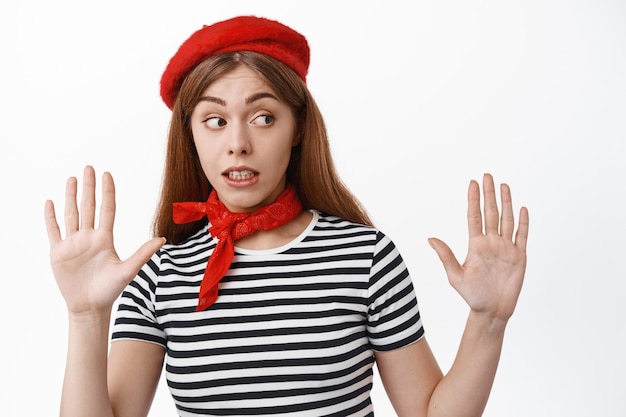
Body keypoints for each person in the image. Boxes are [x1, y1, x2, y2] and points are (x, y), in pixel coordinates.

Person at [44, 15, 529, 417]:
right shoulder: (159, 275)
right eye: (214, 120)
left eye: (263, 117)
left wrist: (488, 321)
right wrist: (86, 316)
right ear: (190, 136)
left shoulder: (365, 258)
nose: (237, 142)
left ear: (297, 128)